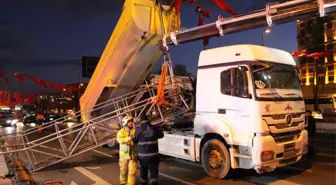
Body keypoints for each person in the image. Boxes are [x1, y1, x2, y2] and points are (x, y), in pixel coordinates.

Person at [133, 114, 164, 185]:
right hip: (154, 155)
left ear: (141, 121)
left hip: (143, 155)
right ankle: (153, 181)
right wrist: (160, 129)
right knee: (154, 169)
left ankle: (144, 182)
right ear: (148, 120)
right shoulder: (154, 127)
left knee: (143, 169)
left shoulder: (138, 129)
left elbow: (135, 140)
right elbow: (161, 135)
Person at [117, 116, 138, 185]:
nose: (131, 123)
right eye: (129, 121)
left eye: (131, 121)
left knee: (132, 171)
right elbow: (120, 140)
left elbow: (136, 140)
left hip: (133, 154)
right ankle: (123, 183)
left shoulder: (135, 131)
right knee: (123, 170)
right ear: (125, 123)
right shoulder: (121, 132)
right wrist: (130, 138)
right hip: (124, 154)